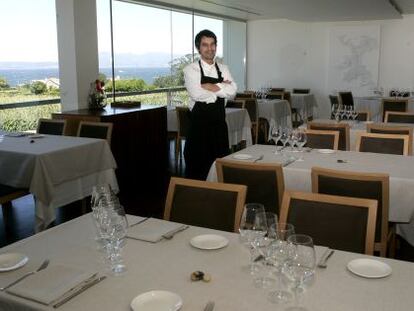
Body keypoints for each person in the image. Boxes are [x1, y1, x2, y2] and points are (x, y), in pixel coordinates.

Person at [183, 29, 237, 180]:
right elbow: (197, 94)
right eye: (205, 45)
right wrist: (222, 87)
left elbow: (233, 92)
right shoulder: (190, 69)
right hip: (198, 130)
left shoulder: (223, 68)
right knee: (196, 171)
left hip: (220, 128)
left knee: (220, 169)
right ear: (198, 48)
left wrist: (211, 86)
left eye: (212, 44)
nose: (210, 48)